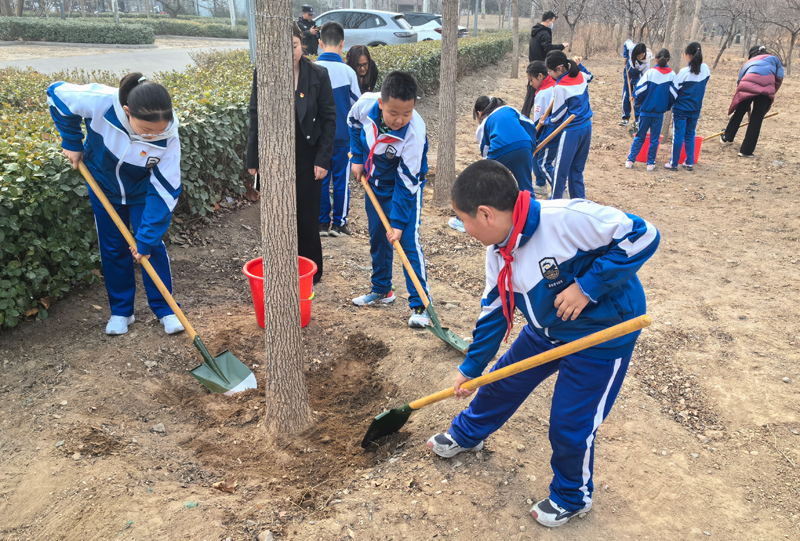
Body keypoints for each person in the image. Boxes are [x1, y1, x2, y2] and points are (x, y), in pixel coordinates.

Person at [427, 159, 660, 529]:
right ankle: (468, 434)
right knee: (500, 380)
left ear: (485, 214)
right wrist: (470, 369)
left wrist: (587, 287)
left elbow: (644, 235)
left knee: (570, 422)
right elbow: (494, 314)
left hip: (602, 338)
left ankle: (572, 496)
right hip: (546, 331)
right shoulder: (497, 252)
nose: (464, 228)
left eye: (463, 219)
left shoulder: (566, 218)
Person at [47, 73, 184, 337]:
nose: (154, 136)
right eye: (146, 131)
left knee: (151, 247)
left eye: (160, 130)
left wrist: (144, 239)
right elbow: (57, 95)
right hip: (103, 187)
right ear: (127, 112)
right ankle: (122, 311)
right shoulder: (99, 102)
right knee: (112, 248)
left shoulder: (169, 136)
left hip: (142, 192)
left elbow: (166, 189)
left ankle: (167, 310)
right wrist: (71, 142)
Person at [247, 23, 336, 284]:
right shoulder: (263, 73)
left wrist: (323, 160)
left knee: (307, 217)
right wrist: (254, 158)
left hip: (308, 155)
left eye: (294, 46)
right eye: (282, 48)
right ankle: (282, 269)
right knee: (279, 216)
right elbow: (256, 114)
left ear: (302, 44)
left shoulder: (318, 74)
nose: (290, 53)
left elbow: (329, 119)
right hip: (275, 155)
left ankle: (311, 273)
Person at [348, 71, 431, 329]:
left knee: (406, 241)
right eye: (394, 113)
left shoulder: (414, 133)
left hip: (404, 186)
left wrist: (397, 222)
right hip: (374, 183)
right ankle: (383, 289)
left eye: (406, 114)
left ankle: (421, 306)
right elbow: (353, 125)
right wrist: (358, 159)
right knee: (377, 236)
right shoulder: (364, 105)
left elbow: (407, 183)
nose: (399, 120)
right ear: (382, 103)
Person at [315, 21, 361, 237]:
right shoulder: (348, 72)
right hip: (343, 138)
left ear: (320, 43)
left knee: (321, 178)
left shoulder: (312, 70)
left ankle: (322, 224)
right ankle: (339, 225)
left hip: (317, 139)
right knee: (342, 180)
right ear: (342, 44)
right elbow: (357, 107)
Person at [543, 51, 593, 200]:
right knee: (577, 169)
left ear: (559, 68)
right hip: (586, 127)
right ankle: (580, 202)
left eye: (550, 71)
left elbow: (557, 118)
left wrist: (545, 121)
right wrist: (580, 66)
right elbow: (590, 76)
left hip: (572, 131)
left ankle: (556, 204)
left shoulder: (560, 87)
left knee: (559, 172)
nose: (549, 74)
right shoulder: (581, 76)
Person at [722, 45, 784, 158]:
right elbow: (779, 78)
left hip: (746, 86)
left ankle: (727, 136)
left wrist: (745, 106)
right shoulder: (775, 59)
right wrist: (772, 90)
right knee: (756, 119)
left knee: (739, 112)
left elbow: (740, 81)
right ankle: (746, 151)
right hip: (765, 90)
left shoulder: (749, 62)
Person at [625, 49, 675, 171]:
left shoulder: (650, 73)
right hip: (659, 113)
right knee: (654, 139)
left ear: (656, 59)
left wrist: (637, 101)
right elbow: (673, 94)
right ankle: (650, 163)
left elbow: (640, 90)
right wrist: (667, 106)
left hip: (646, 111)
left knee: (640, 136)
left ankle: (630, 160)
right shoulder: (672, 75)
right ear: (668, 60)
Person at [665, 42, 710, 171]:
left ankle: (673, 163)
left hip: (681, 109)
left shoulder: (684, 72)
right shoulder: (706, 69)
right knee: (690, 134)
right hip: (695, 108)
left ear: (688, 55)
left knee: (678, 135)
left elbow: (675, 90)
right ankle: (689, 162)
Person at [524, 61, 553, 198]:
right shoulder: (553, 84)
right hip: (551, 125)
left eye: (531, 80)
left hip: (547, 129)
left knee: (541, 161)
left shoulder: (543, 92)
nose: (530, 84)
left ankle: (556, 188)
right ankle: (541, 184)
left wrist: (534, 136)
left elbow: (538, 120)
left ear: (540, 76)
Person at [620, 40, 652, 126]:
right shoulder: (631, 48)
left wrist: (634, 94)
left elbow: (642, 81)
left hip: (638, 78)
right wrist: (625, 57)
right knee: (626, 95)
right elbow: (626, 42)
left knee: (637, 97)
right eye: (638, 56)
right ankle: (625, 118)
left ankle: (636, 120)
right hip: (628, 74)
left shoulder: (647, 64)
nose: (640, 57)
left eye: (642, 55)